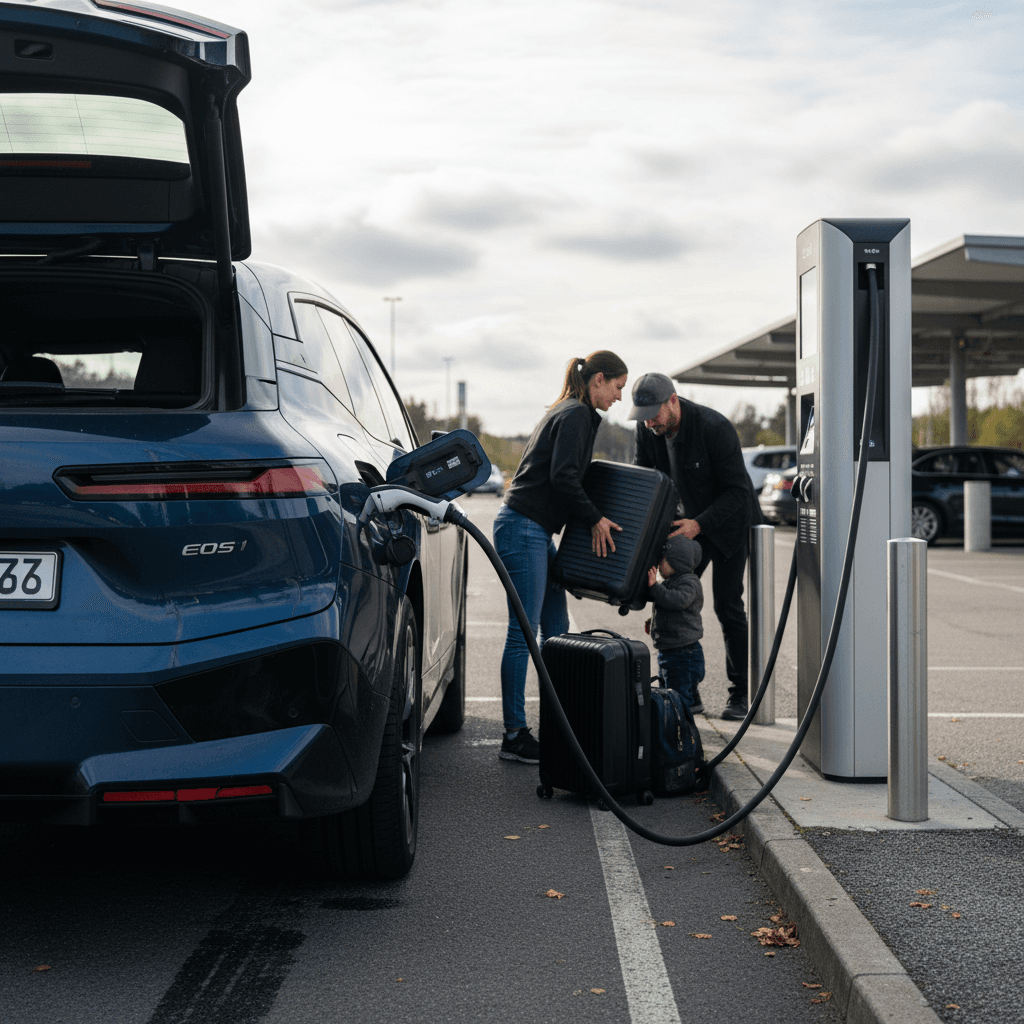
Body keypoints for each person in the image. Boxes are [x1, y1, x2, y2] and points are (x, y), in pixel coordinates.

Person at [493, 351, 628, 762]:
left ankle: (562, 724)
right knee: (524, 633)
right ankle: (514, 735)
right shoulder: (575, 415)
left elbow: (565, 478)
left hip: (534, 530)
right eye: (618, 388)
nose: (619, 398)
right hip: (523, 528)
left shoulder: (571, 411)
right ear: (599, 380)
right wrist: (595, 520)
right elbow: (563, 477)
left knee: (556, 630)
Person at [630, 372, 762, 720]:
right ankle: (687, 690)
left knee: (728, 606)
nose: (649, 423)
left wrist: (699, 523)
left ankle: (740, 694)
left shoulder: (714, 427)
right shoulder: (648, 429)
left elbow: (738, 491)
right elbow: (644, 481)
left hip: (727, 524)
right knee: (674, 602)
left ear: (672, 401)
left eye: (654, 414)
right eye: (642, 416)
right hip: (685, 529)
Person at [646, 534, 705, 713]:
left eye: (663, 559)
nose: (659, 563)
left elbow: (676, 601)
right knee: (671, 689)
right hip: (673, 650)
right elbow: (669, 609)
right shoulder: (673, 580)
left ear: (676, 562)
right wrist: (653, 621)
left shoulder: (689, 583)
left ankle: (680, 728)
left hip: (682, 653)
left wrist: (654, 586)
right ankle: (691, 706)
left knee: (676, 697)